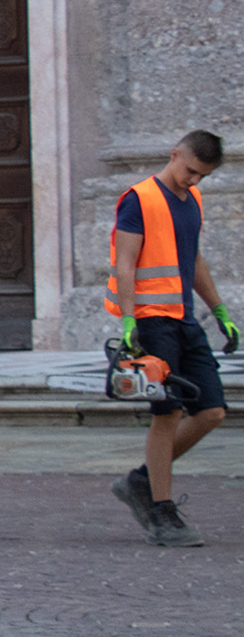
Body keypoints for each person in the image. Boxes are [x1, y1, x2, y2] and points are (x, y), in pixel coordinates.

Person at [108, 130, 241, 546]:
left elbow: (193, 258)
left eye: (202, 176)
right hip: (150, 322)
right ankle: (162, 513)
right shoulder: (139, 199)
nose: (194, 181)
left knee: (213, 410)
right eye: (191, 171)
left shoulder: (193, 201)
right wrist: (129, 323)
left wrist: (219, 309)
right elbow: (126, 264)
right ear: (174, 154)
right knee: (167, 414)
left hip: (184, 319)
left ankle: (142, 482)